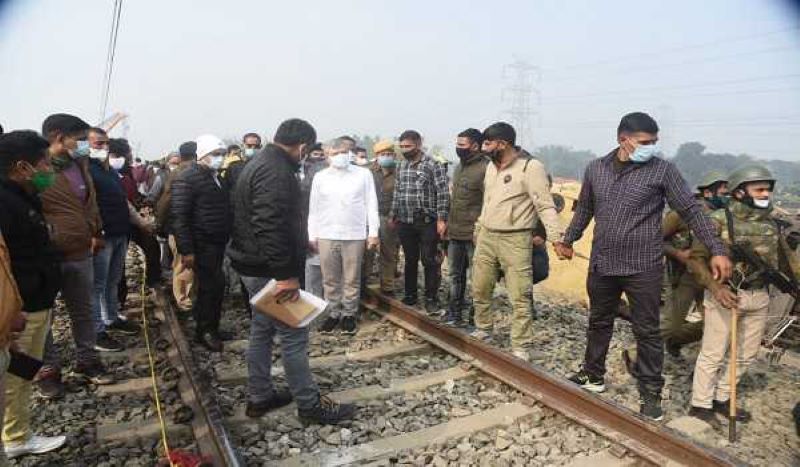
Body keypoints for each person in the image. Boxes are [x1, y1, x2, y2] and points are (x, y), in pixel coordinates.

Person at [557, 112, 731, 421]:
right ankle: (593, 374)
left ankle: (651, 393)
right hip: (603, 262)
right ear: (623, 140)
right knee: (599, 321)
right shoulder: (596, 168)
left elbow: (691, 211)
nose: (652, 147)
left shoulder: (663, 170)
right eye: (645, 142)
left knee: (647, 331)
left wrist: (716, 249)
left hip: (643, 267)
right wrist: (568, 239)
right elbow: (585, 208)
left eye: (655, 141)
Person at [228, 118, 355, 424]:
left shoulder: (259, 163)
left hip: (253, 264)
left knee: (261, 331)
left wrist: (299, 242)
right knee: (294, 335)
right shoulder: (276, 171)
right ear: (302, 146)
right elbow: (269, 225)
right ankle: (309, 406)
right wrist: (285, 275)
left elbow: (272, 220)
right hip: (271, 270)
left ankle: (259, 396)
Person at [687, 165, 799, 423]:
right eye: (759, 189)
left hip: (759, 296)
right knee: (713, 352)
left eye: (767, 190)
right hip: (726, 294)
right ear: (739, 193)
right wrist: (716, 288)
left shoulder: (772, 223)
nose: (765, 194)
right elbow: (695, 259)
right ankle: (700, 404)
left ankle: (723, 397)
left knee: (746, 354)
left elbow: (788, 262)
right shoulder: (717, 220)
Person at [469, 123, 563, 361]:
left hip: (516, 238)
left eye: (488, 143)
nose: (484, 148)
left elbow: (544, 205)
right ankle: (483, 327)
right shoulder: (491, 168)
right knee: (480, 286)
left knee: (520, 294)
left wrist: (556, 238)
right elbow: (488, 202)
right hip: (487, 235)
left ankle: (521, 344)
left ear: (502, 144)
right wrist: (479, 229)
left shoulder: (530, 167)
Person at [0, 130, 67, 457]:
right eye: (45, 164)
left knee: (23, 372)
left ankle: (18, 432)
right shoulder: (4, 202)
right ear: (22, 167)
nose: (49, 170)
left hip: (35, 300)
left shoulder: (23, 196)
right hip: (22, 309)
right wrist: (12, 309)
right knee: (16, 376)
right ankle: (15, 438)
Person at [39, 114, 114, 395]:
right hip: (48, 255)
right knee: (43, 317)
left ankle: (87, 360)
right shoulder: (38, 168)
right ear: (59, 137)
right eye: (80, 139)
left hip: (80, 251)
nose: (84, 144)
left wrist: (96, 231)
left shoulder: (79, 165)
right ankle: (48, 370)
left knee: (82, 310)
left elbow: (90, 203)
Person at [311, 138, 380, 334]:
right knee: (330, 278)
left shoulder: (363, 174)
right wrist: (312, 235)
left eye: (343, 152)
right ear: (327, 156)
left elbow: (371, 204)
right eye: (335, 153)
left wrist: (373, 233)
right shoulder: (320, 177)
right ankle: (333, 313)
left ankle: (349, 313)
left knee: (351, 277)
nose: (340, 156)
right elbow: (313, 209)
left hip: (354, 233)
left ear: (350, 153)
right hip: (326, 233)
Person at [171, 135, 232, 352]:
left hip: (216, 241)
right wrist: (186, 250)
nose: (220, 158)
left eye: (222, 154)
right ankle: (205, 331)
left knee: (215, 286)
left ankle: (211, 326)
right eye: (215, 154)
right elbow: (179, 217)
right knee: (209, 287)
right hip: (201, 242)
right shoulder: (187, 178)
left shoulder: (216, 177)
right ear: (203, 155)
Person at [87, 128, 142, 354]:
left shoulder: (107, 170)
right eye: (98, 144)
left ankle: (111, 318)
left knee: (113, 280)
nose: (104, 148)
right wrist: (94, 233)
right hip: (103, 235)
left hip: (120, 232)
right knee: (97, 284)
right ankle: (96, 331)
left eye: (106, 143)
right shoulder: (86, 170)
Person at [389, 130, 450, 313]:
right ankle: (410, 295)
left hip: (427, 221)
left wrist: (441, 219)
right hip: (405, 220)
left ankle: (431, 298)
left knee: (429, 260)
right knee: (410, 260)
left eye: (408, 146)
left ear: (418, 145)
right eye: (402, 146)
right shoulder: (401, 165)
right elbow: (398, 191)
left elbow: (443, 193)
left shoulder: (432, 164)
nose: (404, 150)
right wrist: (393, 214)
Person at [445, 129, 488, 326]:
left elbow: (488, 202)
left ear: (475, 146)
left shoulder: (486, 169)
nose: (458, 148)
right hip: (455, 232)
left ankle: (475, 317)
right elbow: (455, 199)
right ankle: (454, 313)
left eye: (462, 145)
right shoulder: (459, 167)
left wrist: (480, 230)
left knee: (477, 279)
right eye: (457, 144)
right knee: (455, 275)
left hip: (474, 235)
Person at [157, 141, 197, 312]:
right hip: (181, 228)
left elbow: (164, 201)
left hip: (180, 227)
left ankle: (187, 299)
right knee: (183, 264)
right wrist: (161, 224)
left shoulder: (177, 172)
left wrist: (160, 224)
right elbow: (166, 201)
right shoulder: (183, 174)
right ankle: (183, 301)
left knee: (184, 265)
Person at [362, 140, 400, 295]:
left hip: (388, 217)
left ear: (394, 155)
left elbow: (401, 196)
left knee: (388, 252)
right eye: (383, 154)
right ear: (376, 156)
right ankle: (363, 281)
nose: (386, 156)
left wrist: (394, 216)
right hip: (368, 217)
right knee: (367, 251)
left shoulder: (399, 172)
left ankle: (387, 285)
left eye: (389, 154)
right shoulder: (367, 171)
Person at [299, 143, 328, 299]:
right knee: (313, 268)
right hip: (310, 226)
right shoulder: (307, 172)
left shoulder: (319, 170)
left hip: (320, 226)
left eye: (321, 154)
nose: (319, 157)